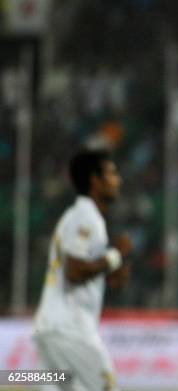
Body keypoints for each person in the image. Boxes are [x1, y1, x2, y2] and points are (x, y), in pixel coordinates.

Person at [32, 149, 131, 391]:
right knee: (106, 386)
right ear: (95, 180)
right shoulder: (86, 217)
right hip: (70, 330)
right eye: (112, 173)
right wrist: (115, 255)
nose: (118, 180)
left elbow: (96, 274)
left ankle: (11, 379)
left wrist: (115, 265)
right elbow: (74, 272)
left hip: (52, 328)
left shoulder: (79, 216)